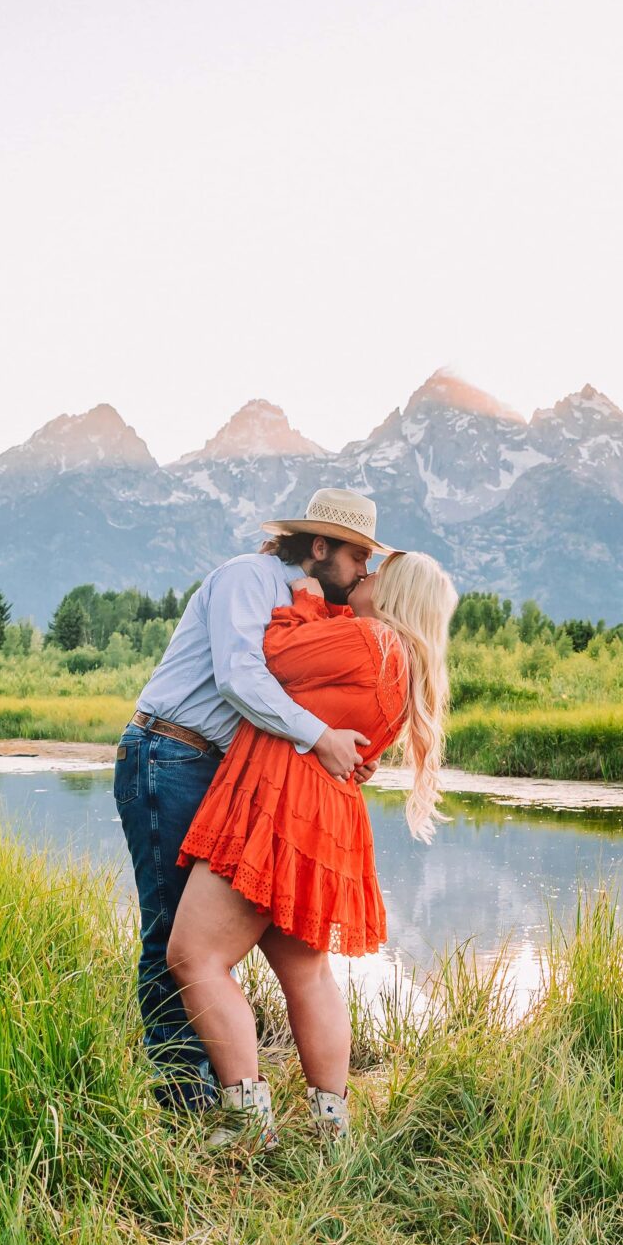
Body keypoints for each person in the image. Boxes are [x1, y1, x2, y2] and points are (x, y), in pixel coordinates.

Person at [164, 546, 458, 1150]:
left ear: (396, 596)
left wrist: (307, 598)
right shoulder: (400, 662)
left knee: (194, 957)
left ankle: (246, 1120)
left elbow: (268, 653)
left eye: (377, 574)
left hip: (281, 807)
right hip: (325, 818)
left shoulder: (368, 641)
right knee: (306, 971)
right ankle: (331, 1126)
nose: (365, 576)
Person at [115, 488, 385, 1108]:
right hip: (170, 755)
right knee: (171, 936)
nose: (364, 570)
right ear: (319, 547)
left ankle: (228, 1097)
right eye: (357, 556)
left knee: (203, 942)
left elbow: (299, 688)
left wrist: (342, 746)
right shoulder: (247, 577)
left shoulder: (308, 607)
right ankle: (188, 1098)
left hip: (216, 771)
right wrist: (319, 738)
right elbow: (241, 677)